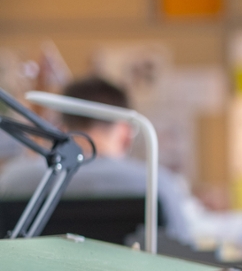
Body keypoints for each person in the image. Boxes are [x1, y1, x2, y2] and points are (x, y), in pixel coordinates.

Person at [0, 77, 190, 243]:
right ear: (126, 134)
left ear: (62, 129)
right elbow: (183, 249)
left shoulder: (13, 179)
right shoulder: (156, 182)